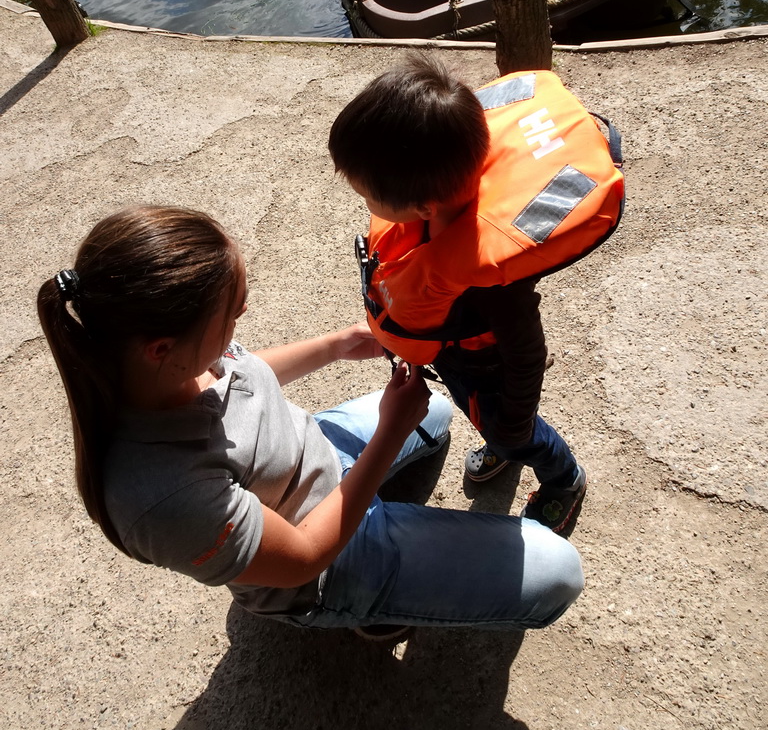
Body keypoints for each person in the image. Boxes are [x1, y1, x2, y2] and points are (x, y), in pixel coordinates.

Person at [38, 205, 583, 638]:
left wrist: (334, 346)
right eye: (232, 313)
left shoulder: (160, 366)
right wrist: (391, 429)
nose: (242, 319)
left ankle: (397, 549)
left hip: (310, 457)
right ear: (162, 349)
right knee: (559, 573)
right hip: (319, 562)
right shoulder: (159, 498)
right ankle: (364, 605)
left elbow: (242, 375)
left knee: (435, 411)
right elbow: (302, 559)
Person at [328, 53, 616, 535]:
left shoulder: (488, 275)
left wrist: (515, 425)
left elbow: (526, 352)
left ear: (421, 206)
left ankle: (562, 477)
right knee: (490, 421)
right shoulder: (440, 204)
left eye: (366, 197)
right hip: (456, 357)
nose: (366, 206)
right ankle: (503, 442)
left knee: (510, 429)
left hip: (488, 369)